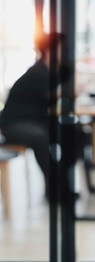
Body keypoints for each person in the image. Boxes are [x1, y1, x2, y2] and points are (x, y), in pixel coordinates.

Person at [0, 33, 68, 200]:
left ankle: (61, 182)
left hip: (37, 121)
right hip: (14, 125)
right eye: (62, 49)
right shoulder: (38, 73)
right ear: (50, 51)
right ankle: (54, 187)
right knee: (41, 138)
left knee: (74, 133)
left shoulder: (52, 72)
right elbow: (61, 93)